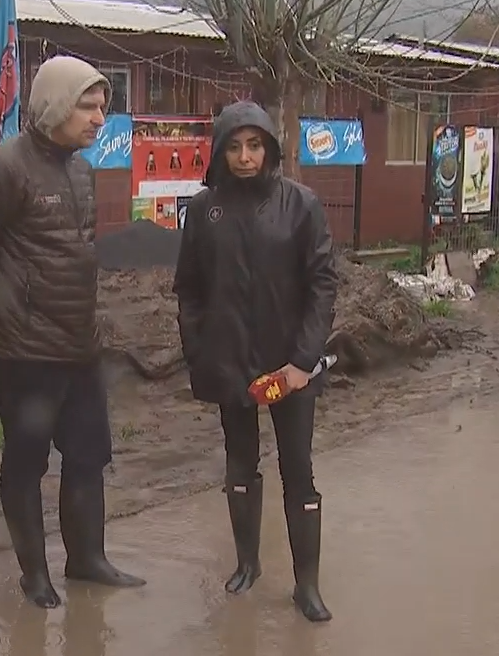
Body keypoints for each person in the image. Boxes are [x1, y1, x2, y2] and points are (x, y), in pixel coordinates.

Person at [0, 55, 146, 610]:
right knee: (27, 462)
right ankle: (36, 576)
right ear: (55, 104)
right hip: (24, 352)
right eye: (89, 104)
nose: (100, 117)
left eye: (104, 105)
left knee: (87, 454)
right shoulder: (3, 167)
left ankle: (87, 560)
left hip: (79, 344)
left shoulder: (81, 169)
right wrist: (1, 315)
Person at [172, 101, 338, 623]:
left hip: (289, 365)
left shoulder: (301, 206)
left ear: (270, 148)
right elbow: (189, 290)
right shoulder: (204, 211)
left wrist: (302, 361)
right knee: (240, 462)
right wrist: (201, 351)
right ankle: (247, 564)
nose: (245, 157)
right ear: (221, 151)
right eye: (235, 146)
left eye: (255, 145)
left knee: (298, 469)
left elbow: (322, 285)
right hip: (231, 362)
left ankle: (306, 584)